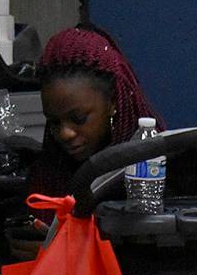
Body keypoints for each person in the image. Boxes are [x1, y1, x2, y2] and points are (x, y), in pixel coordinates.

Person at [13, 25, 163, 259]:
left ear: (113, 102)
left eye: (78, 119)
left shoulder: (151, 166)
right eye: (54, 122)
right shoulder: (49, 173)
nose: (65, 134)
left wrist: (65, 254)